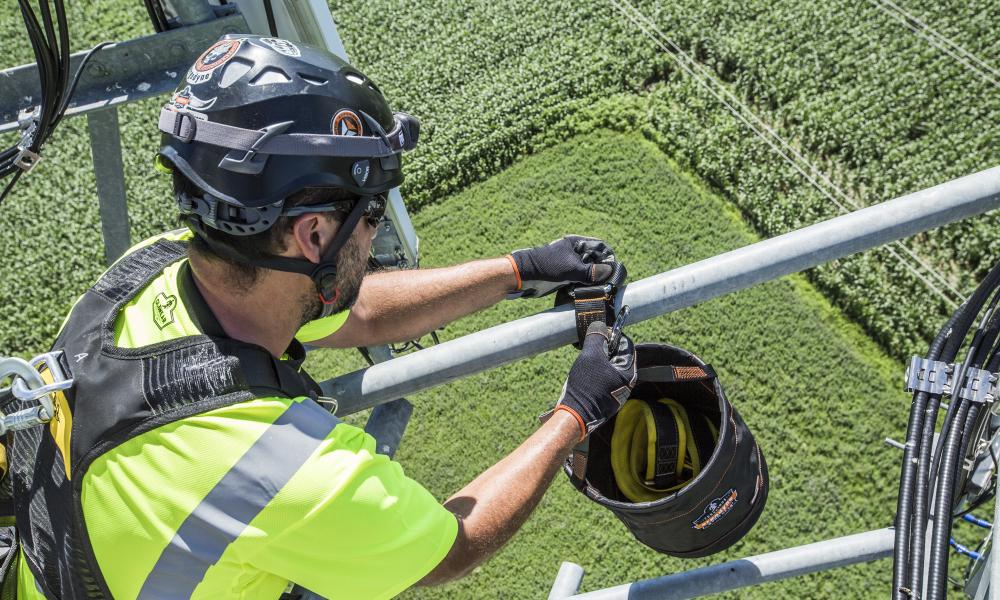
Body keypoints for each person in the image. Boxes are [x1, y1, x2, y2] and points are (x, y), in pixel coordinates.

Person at [8, 35, 636, 600]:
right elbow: (453, 543)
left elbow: (352, 309)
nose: (374, 233)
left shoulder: (148, 271)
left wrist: (518, 269)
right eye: (370, 216)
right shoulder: (276, 465)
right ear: (312, 234)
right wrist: (577, 412)